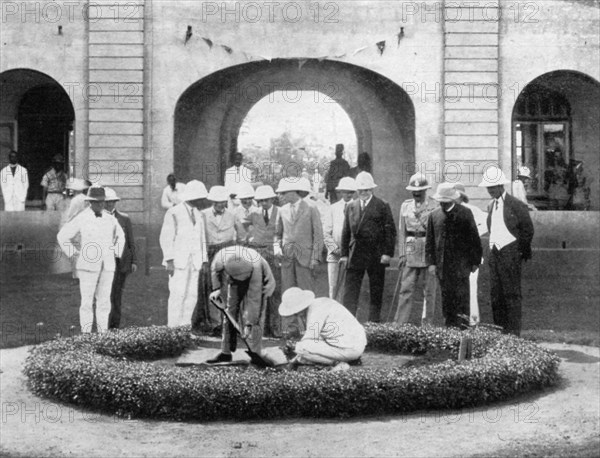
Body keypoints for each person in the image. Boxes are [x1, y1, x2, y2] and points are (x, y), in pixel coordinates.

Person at [57, 187, 125, 333]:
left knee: (104, 302)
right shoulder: (82, 217)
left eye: (102, 201)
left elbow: (121, 236)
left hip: (107, 266)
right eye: (97, 202)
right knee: (87, 302)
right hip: (87, 265)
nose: (101, 204)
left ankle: (102, 335)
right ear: (90, 202)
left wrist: (115, 252)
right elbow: (62, 236)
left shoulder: (110, 218)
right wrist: (74, 254)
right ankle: (86, 336)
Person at [478, 166, 534, 336]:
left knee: (512, 294)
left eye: (493, 187)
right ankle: (500, 332)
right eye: (488, 187)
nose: (490, 191)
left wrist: (518, 252)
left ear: (501, 186)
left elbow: (527, 230)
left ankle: (513, 335)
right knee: (496, 295)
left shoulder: (515, 204)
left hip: (510, 254)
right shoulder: (491, 205)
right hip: (494, 254)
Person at [340, 172, 396, 322]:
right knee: (350, 292)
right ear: (357, 191)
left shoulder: (382, 205)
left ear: (372, 189)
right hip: (355, 253)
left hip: (375, 254)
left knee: (376, 291)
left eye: (367, 190)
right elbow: (346, 232)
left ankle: (374, 324)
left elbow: (390, 231)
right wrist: (344, 254)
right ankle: (348, 322)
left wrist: (387, 253)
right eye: (360, 190)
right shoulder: (351, 206)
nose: (364, 193)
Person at [425, 183, 482, 328]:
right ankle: (449, 329)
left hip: (461, 266)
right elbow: (430, 241)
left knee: (462, 299)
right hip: (442, 266)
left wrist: (475, 262)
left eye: (446, 201)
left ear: (452, 200)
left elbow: (474, 239)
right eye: (441, 201)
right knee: (446, 300)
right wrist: (431, 263)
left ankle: (463, 330)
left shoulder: (465, 213)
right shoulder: (434, 215)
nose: (443, 204)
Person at [206, 246, 276, 364]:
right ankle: (225, 353)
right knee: (229, 312)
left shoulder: (256, 268)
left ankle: (256, 352)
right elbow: (215, 269)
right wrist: (216, 288)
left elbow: (254, 303)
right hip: (234, 282)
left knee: (257, 319)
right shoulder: (222, 257)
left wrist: (249, 324)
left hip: (261, 284)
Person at [275, 177, 324, 336]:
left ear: (293, 192)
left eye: (283, 193)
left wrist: (315, 258)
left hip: (306, 258)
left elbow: (318, 235)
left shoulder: (311, 208)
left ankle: (310, 328)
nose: (281, 196)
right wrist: (277, 248)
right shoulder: (282, 210)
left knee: (307, 293)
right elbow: (277, 235)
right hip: (288, 258)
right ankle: (290, 328)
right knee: (288, 293)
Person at [279, 287, 367, 371]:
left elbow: (308, 341)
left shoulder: (315, 312)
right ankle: (348, 359)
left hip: (349, 349)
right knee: (303, 349)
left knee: (302, 350)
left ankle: (338, 363)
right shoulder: (319, 303)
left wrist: (293, 348)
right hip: (354, 344)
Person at [159, 180, 209, 327]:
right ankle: (173, 328)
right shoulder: (174, 212)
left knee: (192, 295)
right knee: (177, 294)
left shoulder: (199, 214)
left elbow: (202, 238)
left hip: (195, 261)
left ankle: (185, 328)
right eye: (199, 198)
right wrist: (169, 260)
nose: (201, 201)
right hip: (178, 261)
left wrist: (204, 259)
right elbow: (166, 237)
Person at [393, 173, 438, 325]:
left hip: (427, 248)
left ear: (426, 191)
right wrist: (402, 254)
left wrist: (434, 257)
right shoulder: (406, 206)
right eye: (414, 192)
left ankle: (428, 325)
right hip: (411, 248)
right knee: (406, 290)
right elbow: (402, 231)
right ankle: (400, 324)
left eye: (420, 192)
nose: (417, 195)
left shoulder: (434, 205)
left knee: (429, 292)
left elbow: (436, 232)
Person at [196, 185, 238, 333]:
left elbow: (240, 235)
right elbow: (199, 236)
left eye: (222, 201)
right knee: (212, 287)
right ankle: (215, 323)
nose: (220, 204)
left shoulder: (233, 215)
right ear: (212, 201)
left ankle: (229, 322)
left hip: (228, 252)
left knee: (228, 287)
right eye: (217, 201)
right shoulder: (203, 215)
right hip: (211, 252)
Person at [243, 184, 282, 337]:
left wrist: (279, 246)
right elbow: (241, 226)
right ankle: (258, 327)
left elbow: (282, 232)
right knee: (256, 289)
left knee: (275, 290)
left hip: (273, 255)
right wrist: (249, 238)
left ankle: (275, 327)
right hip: (257, 253)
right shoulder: (253, 213)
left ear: (272, 198)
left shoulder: (280, 212)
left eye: (266, 200)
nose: (264, 203)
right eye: (260, 201)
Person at [454, 182, 488, 325]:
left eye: (456, 196)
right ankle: (457, 320)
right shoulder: (449, 211)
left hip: (470, 256)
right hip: (455, 257)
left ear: (462, 197)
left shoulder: (472, 210)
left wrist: (474, 236)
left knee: (471, 287)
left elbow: (486, 223)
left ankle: (473, 320)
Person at [104, 188, 138, 329]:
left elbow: (131, 241)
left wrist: (134, 261)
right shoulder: (98, 218)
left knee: (117, 295)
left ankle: (114, 326)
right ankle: (103, 324)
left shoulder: (124, 219)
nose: (110, 204)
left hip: (121, 263)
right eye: (107, 202)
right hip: (105, 262)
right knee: (105, 294)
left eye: (112, 201)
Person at [324, 176, 357, 299]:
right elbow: (326, 233)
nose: (348, 194)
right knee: (333, 287)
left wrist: (348, 251)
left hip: (350, 254)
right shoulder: (333, 208)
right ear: (340, 192)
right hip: (334, 255)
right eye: (345, 191)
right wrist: (335, 249)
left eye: (351, 192)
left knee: (347, 287)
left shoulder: (357, 207)